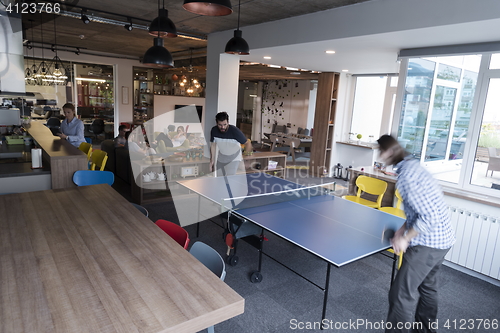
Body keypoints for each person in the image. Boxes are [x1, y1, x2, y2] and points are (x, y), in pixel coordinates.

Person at [377, 135, 455, 333]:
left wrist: (405, 238)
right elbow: (416, 211)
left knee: (401, 294)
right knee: (428, 287)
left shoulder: (407, 178)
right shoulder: (413, 167)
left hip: (428, 243)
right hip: (443, 240)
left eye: (381, 150)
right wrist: (402, 231)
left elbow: (429, 217)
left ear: (391, 152)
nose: (379, 155)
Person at [210, 111, 252, 176]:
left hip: (234, 159)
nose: (222, 127)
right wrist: (212, 160)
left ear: (228, 123)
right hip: (221, 158)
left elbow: (248, 143)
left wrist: (245, 159)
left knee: (230, 179)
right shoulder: (214, 130)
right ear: (216, 123)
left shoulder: (235, 131)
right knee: (219, 178)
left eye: (225, 124)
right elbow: (213, 145)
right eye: (220, 125)